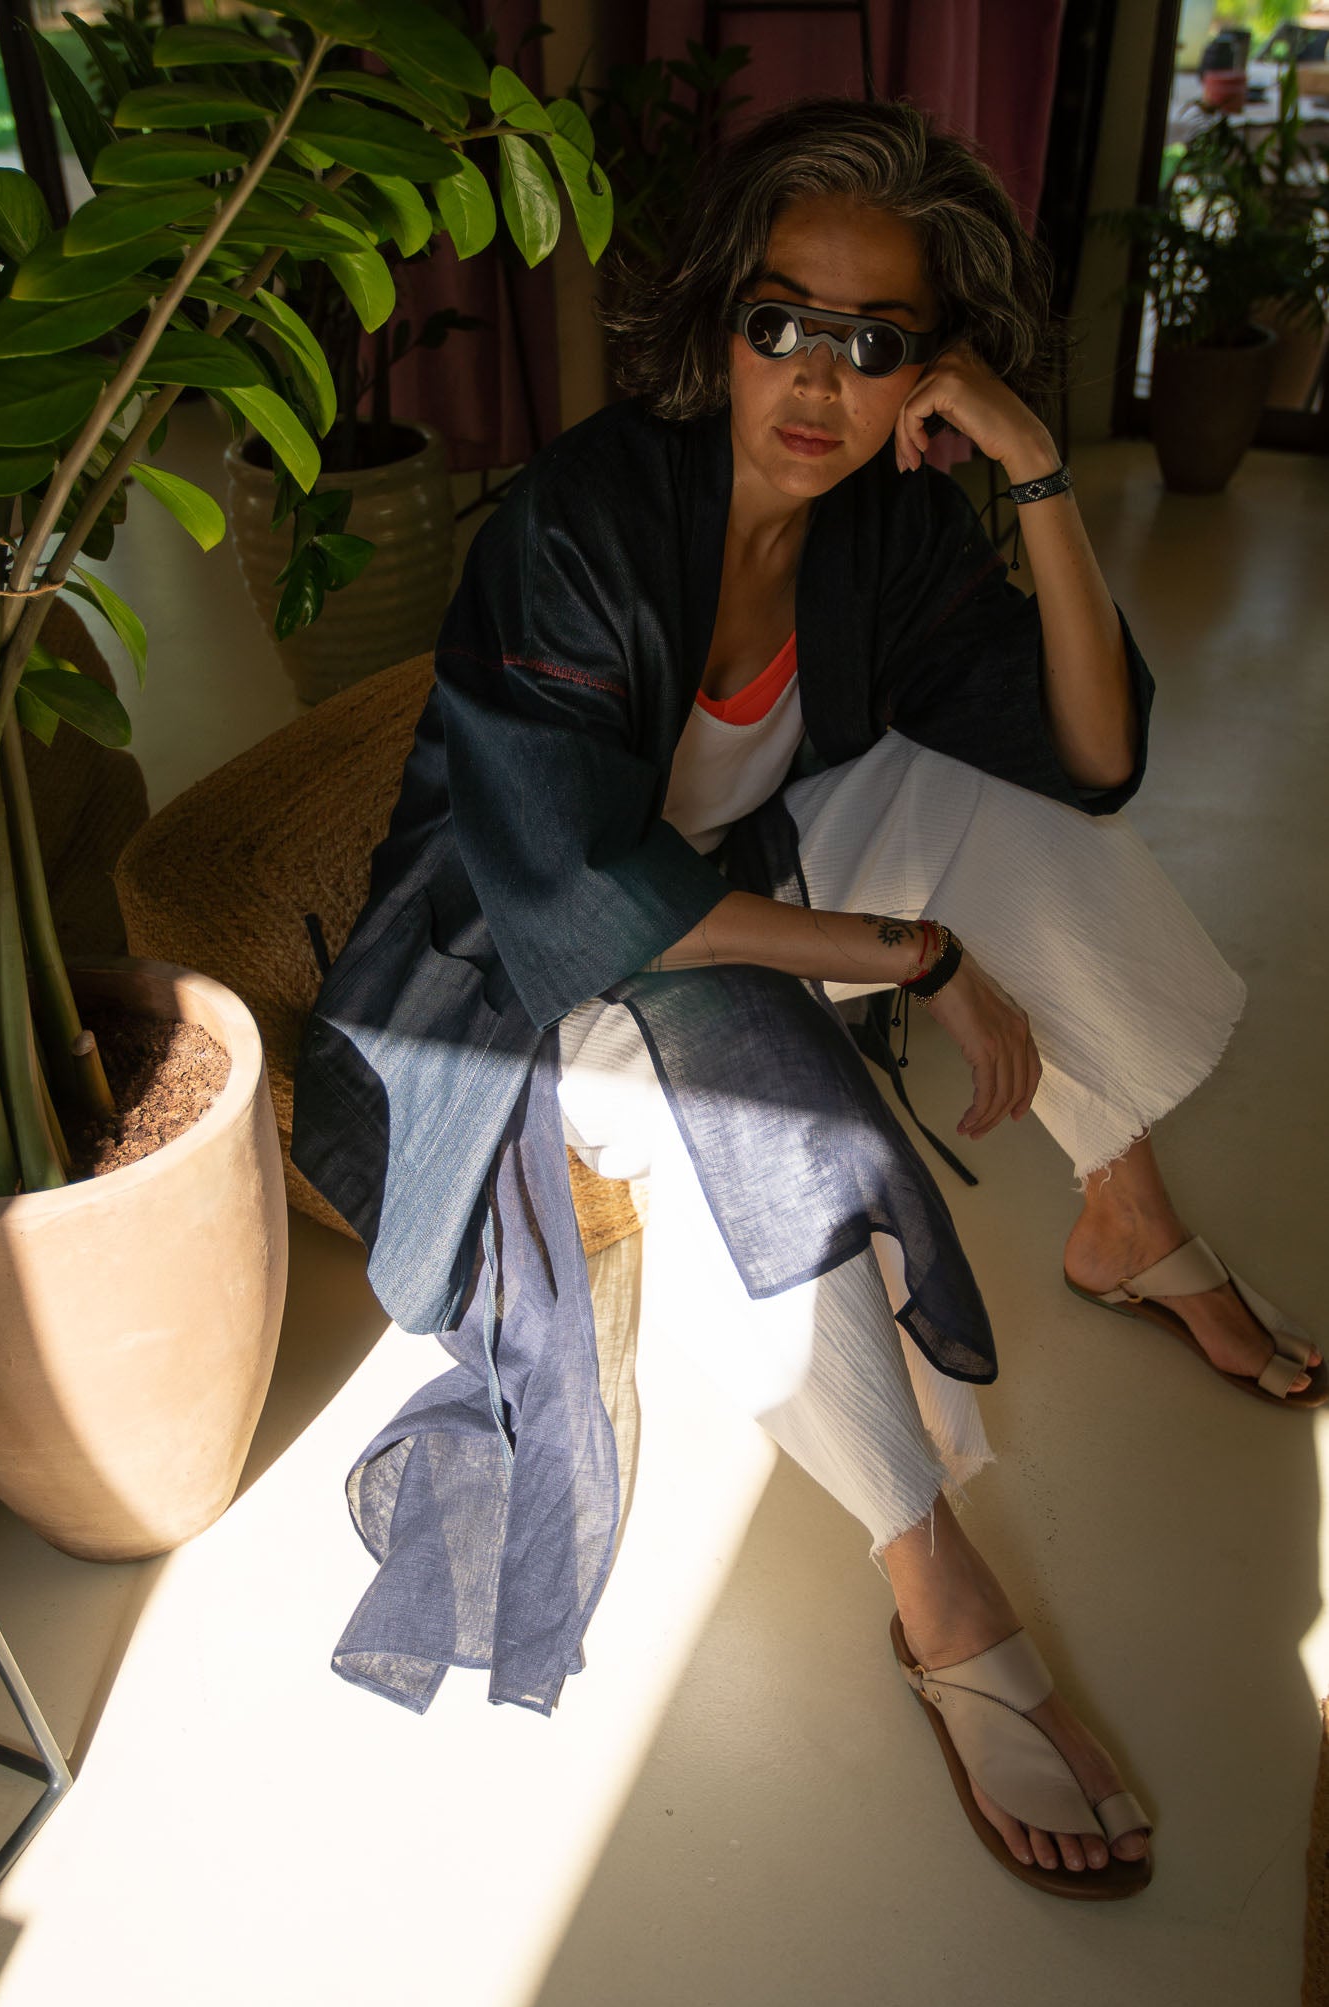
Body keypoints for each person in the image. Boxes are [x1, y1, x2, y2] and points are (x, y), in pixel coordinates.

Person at [292, 95, 1322, 1903]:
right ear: (719, 318)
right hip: (508, 960)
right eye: (780, 321)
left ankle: (1122, 1211)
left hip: (733, 858)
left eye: (876, 341)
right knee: (743, 1094)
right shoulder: (587, 515)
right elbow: (581, 897)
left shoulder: (882, 525)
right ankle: (932, 1575)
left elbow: (1092, 759)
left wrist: (1036, 472)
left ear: (933, 369)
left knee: (1004, 808)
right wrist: (914, 956)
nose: (816, 381)